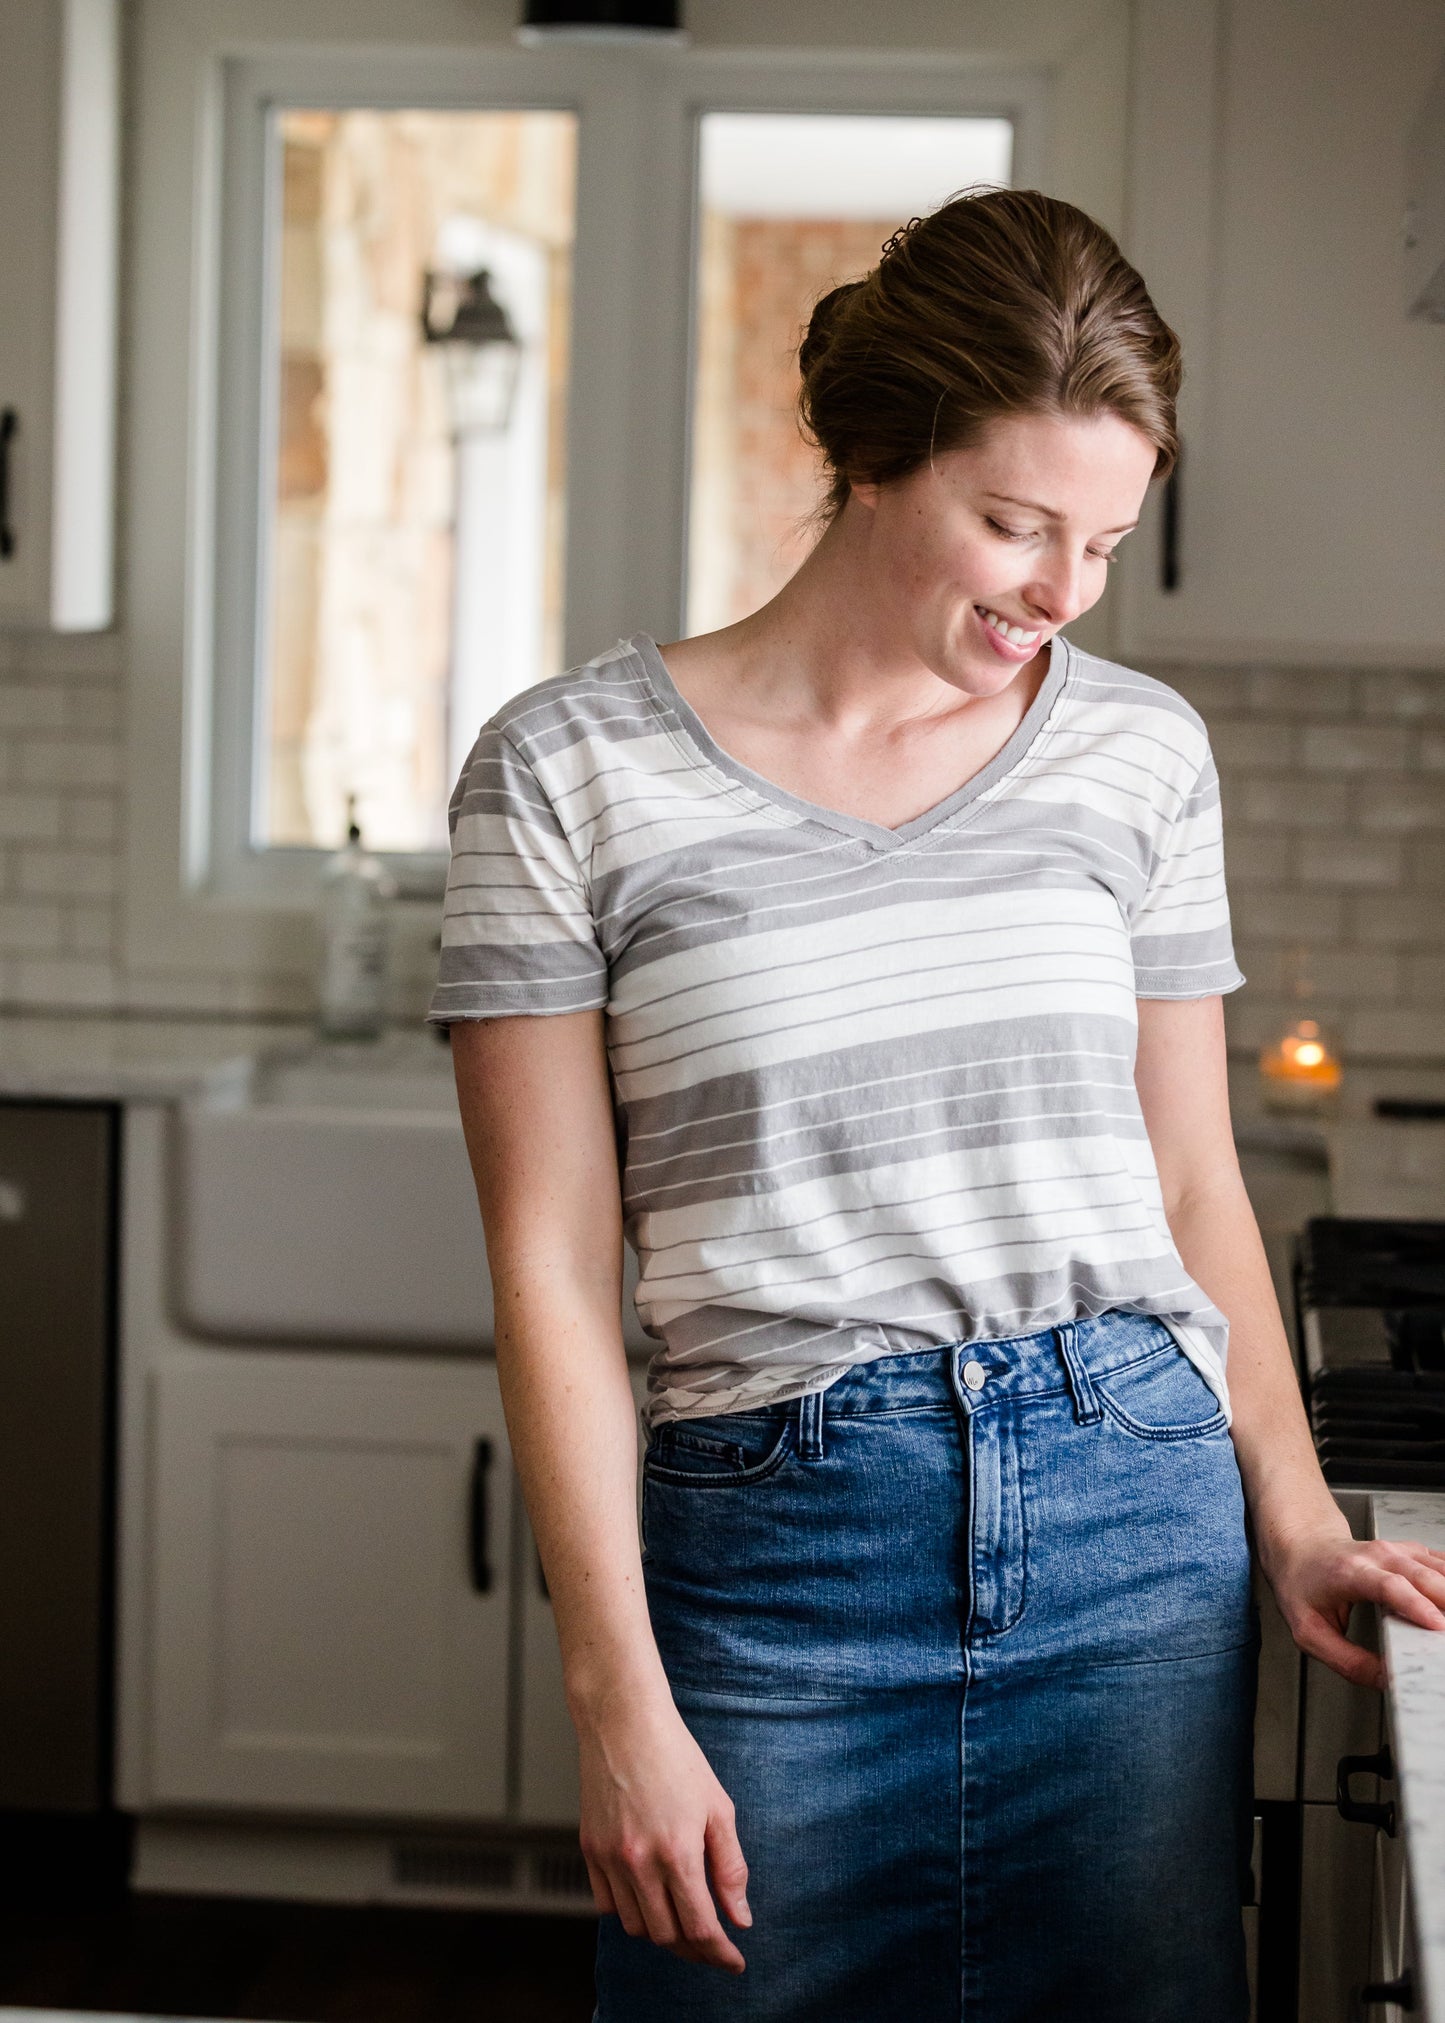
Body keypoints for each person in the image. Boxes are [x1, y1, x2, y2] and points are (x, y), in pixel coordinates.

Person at [430, 188, 1445, 2022]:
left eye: (1107, 541)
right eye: (1014, 524)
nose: (1060, 594)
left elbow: (1193, 1188)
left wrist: (1290, 1517)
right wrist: (615, 1701)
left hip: (1131, 1526)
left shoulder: (1140, 753)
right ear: (871, 458)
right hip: (777, 1553)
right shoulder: (565, 772)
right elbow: (553, 1269)